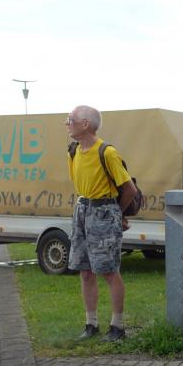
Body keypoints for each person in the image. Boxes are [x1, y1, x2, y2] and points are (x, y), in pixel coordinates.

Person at [66, 105, 138, 342]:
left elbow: (129, 189)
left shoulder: (107, 152)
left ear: (85, 124)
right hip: (82, 209)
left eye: (70, 119)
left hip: (103, 212)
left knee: (108, 271)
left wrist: (116, 213)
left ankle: (117, 327)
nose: (67, 124)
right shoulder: (73, 152)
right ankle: (91, 324)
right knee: (85, 271)